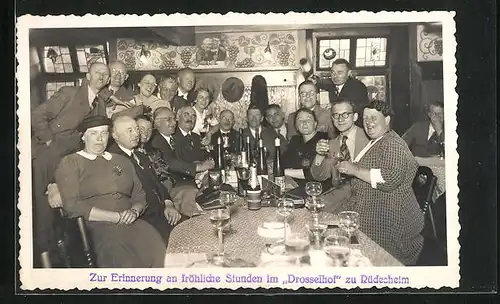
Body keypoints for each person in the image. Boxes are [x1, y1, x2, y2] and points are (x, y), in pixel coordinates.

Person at [54, 115, 167, 267]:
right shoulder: (71, 162)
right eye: (94, 133)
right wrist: (115, 217)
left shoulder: (121, 160)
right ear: (83, 137)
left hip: (129, 221)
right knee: (121, 256)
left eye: (104, 133)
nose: (100, 138)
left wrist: (134, 211)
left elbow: (139, 195)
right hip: (96, 225)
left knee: (154, 242)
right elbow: (72, 205)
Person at [31, 62, 110, 262]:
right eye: (97, 72)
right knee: (44, 213)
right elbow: (37, 115)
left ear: (108, 80)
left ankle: (70, 250)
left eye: (105, 74)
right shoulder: (69, 93)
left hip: (71, 160)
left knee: (73, 203)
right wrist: (49, 140)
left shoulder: (100, 104)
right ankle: (44, 258)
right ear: (87, 76)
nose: (101, 76)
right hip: (49, 155)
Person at [335, 100, 424, 265]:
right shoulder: (379, 141)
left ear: (387, 120)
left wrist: (355, 170)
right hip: (374, 208)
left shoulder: (392, 144)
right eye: (365, 118)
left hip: (389, 220)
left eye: (374, 118)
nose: (368, 122)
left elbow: (390, 179)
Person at [107, 116, 181, 243]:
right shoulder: (114, 160)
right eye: (129, 130)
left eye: (136, 129)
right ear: (115, 135)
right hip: (142, 219)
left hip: (160, 212)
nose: (136, 134)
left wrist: (168, 204)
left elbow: (157, 183)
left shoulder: (140, 155)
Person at [150, 107, 211, 216]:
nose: (173, 122)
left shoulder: (171, 138)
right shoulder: (156, 140)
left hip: (183, 180)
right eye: (169, 119)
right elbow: (169, 163)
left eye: (174, 119)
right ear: (157, 123)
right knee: (192, 194)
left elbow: (184, 159)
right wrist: (197, 167)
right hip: (167, 185)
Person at [310, 99, 370, 185]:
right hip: (340, 194)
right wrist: (320, 155)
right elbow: (319, 176)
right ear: (332, 119)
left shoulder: (369, 139)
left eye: (345, 114)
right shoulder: (331, 144)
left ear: (355, 117)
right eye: (336, 115)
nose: (340, 119)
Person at [281, 108, 329, 187]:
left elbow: (313, 173)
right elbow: (283, 163)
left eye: (308, 119)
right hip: (295, 186)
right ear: (296, 126)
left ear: (315, 123)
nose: (304, 123)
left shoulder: (324, 140)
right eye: (300, 120)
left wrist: (284, 172)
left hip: (318, 188)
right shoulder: (295, 141)